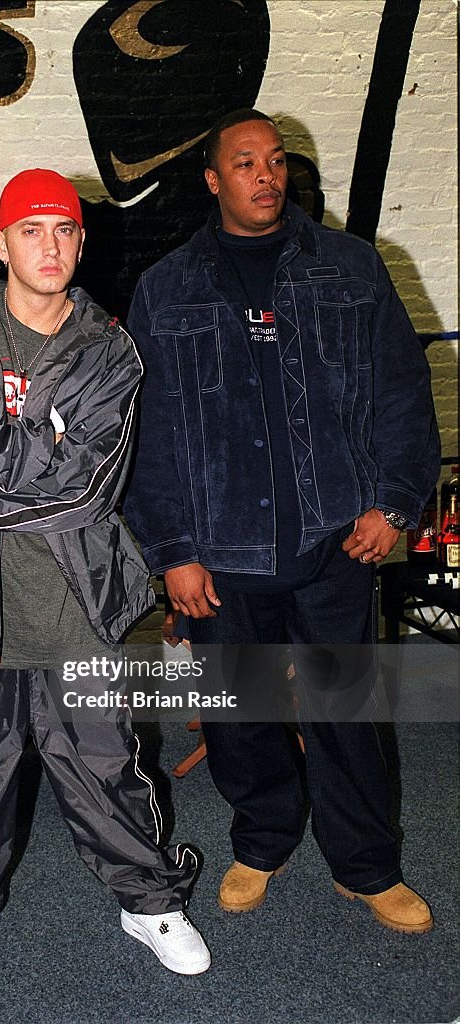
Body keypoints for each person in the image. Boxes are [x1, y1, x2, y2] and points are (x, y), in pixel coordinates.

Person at [123, 110, 440, 934]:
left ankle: (367, 868)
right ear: (213, 179)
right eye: (245, 163)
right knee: (241, 717)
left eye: (275, 160)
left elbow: (402, 393)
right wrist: (172, 552)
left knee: (347, 713)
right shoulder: (167, 288)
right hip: (220, 558)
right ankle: (262, 843)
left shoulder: (351, 267)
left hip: (336, 541)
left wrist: (394, 503)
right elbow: (148, 435)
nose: (266, 175)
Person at [0, 168, 210, 975]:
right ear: (1, 243)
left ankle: (149, 900)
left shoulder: (109, 349)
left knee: (104, 762)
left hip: (77, 599)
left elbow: (89, 490)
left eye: (64, 229)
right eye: (31, 230)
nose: (50, 245)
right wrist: (47, 442)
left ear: (81, 242)